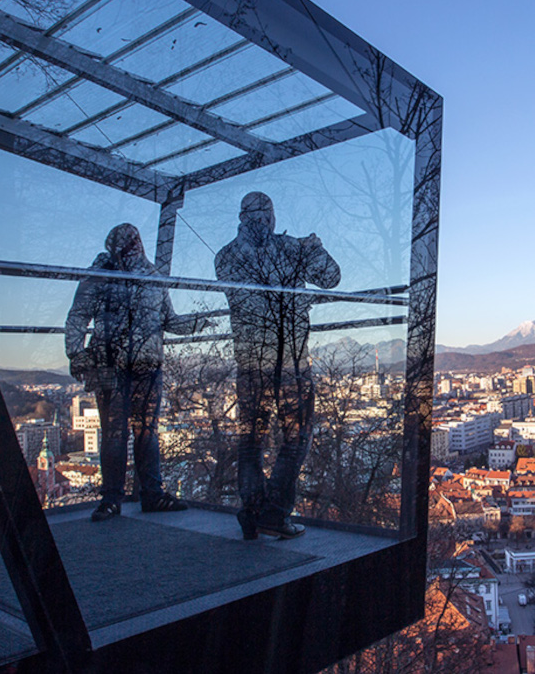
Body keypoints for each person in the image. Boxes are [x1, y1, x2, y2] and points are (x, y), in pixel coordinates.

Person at [215, 192, 340, 540]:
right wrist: (313, 246)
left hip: (249, 363)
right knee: (297, 436)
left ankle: (252, 511)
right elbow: (332, 278)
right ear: (270, 215)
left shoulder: (224, 257)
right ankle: (275, 511)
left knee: (250, 441)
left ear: (241, 217)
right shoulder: (291, 249)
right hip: (289, 361)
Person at [66, 224, 209, 522]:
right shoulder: (109, 275)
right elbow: (79, 315)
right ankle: (129, 497)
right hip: (120, 364)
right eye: (129, 242)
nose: (133, 246)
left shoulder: (132, 277)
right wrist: (76, 353)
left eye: (134, 241)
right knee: (122, 435)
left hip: (140, 365)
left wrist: (197, 323)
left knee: (140, 434)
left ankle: (130, 497)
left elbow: (168, 319)